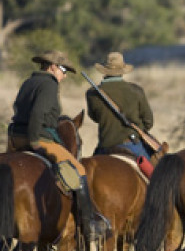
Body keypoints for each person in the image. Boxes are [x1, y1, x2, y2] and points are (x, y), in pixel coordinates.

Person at [7, 50, 109, 241]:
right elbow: (38, 114)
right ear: (52, 66)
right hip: (37, 138)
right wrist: (36, 140)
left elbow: (17, 109)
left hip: (15, 138)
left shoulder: (29, 82)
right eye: (63, 70)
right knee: (79, 169)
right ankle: (89, 224)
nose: (64, 75)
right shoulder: (49, 84)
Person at [85, 52, 154, 161]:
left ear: (104, 71)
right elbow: (149, 122)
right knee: (154, 174)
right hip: (132, 144)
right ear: (122, 71)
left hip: (105, 146)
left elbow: (94, 117)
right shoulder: (136, 91)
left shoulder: (92, 93)